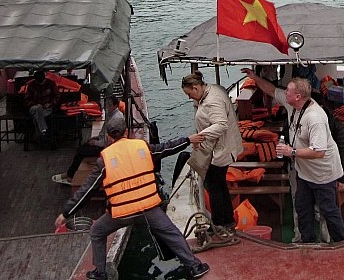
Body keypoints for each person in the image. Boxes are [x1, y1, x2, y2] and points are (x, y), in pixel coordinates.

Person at [55, 111, 210, 280]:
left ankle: (100, 273)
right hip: (148, 209)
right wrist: (188, 140)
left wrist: (66, 213)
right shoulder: (143, 147)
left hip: (121, 213)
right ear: (126, 132)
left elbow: (87, 189)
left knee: (97, 232)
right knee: (171, 233)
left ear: (108, 136)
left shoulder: (104, 160)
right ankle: (195, 267)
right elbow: (167, 147)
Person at [241, 68, 344, 243]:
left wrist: (292, 152)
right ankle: (307, 241)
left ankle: (341, 243)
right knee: (303, 208)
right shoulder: (292, 104)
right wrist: (255, 78)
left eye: (288, 90)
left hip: (323, 175)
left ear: (297, 96)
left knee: (328, 211)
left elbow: (319, 151)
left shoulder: (315, 118)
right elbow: (271, 90)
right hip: (304, 173)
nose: (284, 93)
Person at [181, 71, 243, 242]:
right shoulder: (215, 89)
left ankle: (218, 224)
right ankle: (228, 220)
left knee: (213, 185)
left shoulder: (212, 101)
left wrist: (200, 136)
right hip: (223, 148)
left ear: (196, 87)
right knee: (220, 184)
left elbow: (221, 124)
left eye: (189, 94)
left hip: (220, 152)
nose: (189, 98)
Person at [23, 69, 60, 139]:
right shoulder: (31, 85)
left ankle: (39, 134)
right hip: (34, 107)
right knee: (37, 108)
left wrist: (50, 104)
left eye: (42, 82)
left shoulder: (51, 84)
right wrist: (35, 104)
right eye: (38, 82)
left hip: (47, 108)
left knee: (36, 116)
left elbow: (57, 96)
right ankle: (43, 130)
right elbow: (27, 100)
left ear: (44, 78)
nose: (40, 84)